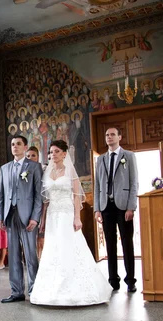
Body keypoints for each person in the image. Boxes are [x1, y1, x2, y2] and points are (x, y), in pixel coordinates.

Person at [30, 140, 113, 306]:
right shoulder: (47, 171)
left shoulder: (70, 171)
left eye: (56, 152)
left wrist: (77, 217)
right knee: (53, 248)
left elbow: (76, 196)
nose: (53, 154)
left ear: (64, 154)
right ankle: (51, 289)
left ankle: (77, 288)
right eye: (51, 152)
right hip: (53, 215)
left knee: (69, 246)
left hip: (67, 213)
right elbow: (46, 200)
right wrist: (43, 219)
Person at [0, 135, 43, 303]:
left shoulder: (34, 167)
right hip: (10, 216)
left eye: (18, 144)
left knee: (31, 256)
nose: (14, 147)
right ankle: (16, 292)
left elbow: (38, 195)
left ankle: (34, 290)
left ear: (25, 147)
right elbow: (0, 196)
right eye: (12, 144)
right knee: (14, 255)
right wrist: (0, 217)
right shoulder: (5, 168)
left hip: (28, 217)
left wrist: (35, 218)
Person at [94, 127, 139, 293]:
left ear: (119, 137)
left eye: (112, 134)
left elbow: (134, 182)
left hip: (123, 206)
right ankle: (113, 280)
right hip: (106, 206)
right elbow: (98, 184)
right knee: (110, 245)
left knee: (127, 243)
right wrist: (97, 209)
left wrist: (131, 206)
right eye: (106, 135)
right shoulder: (101, 159)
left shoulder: (128, 156)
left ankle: (130, 280)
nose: (109, 137)